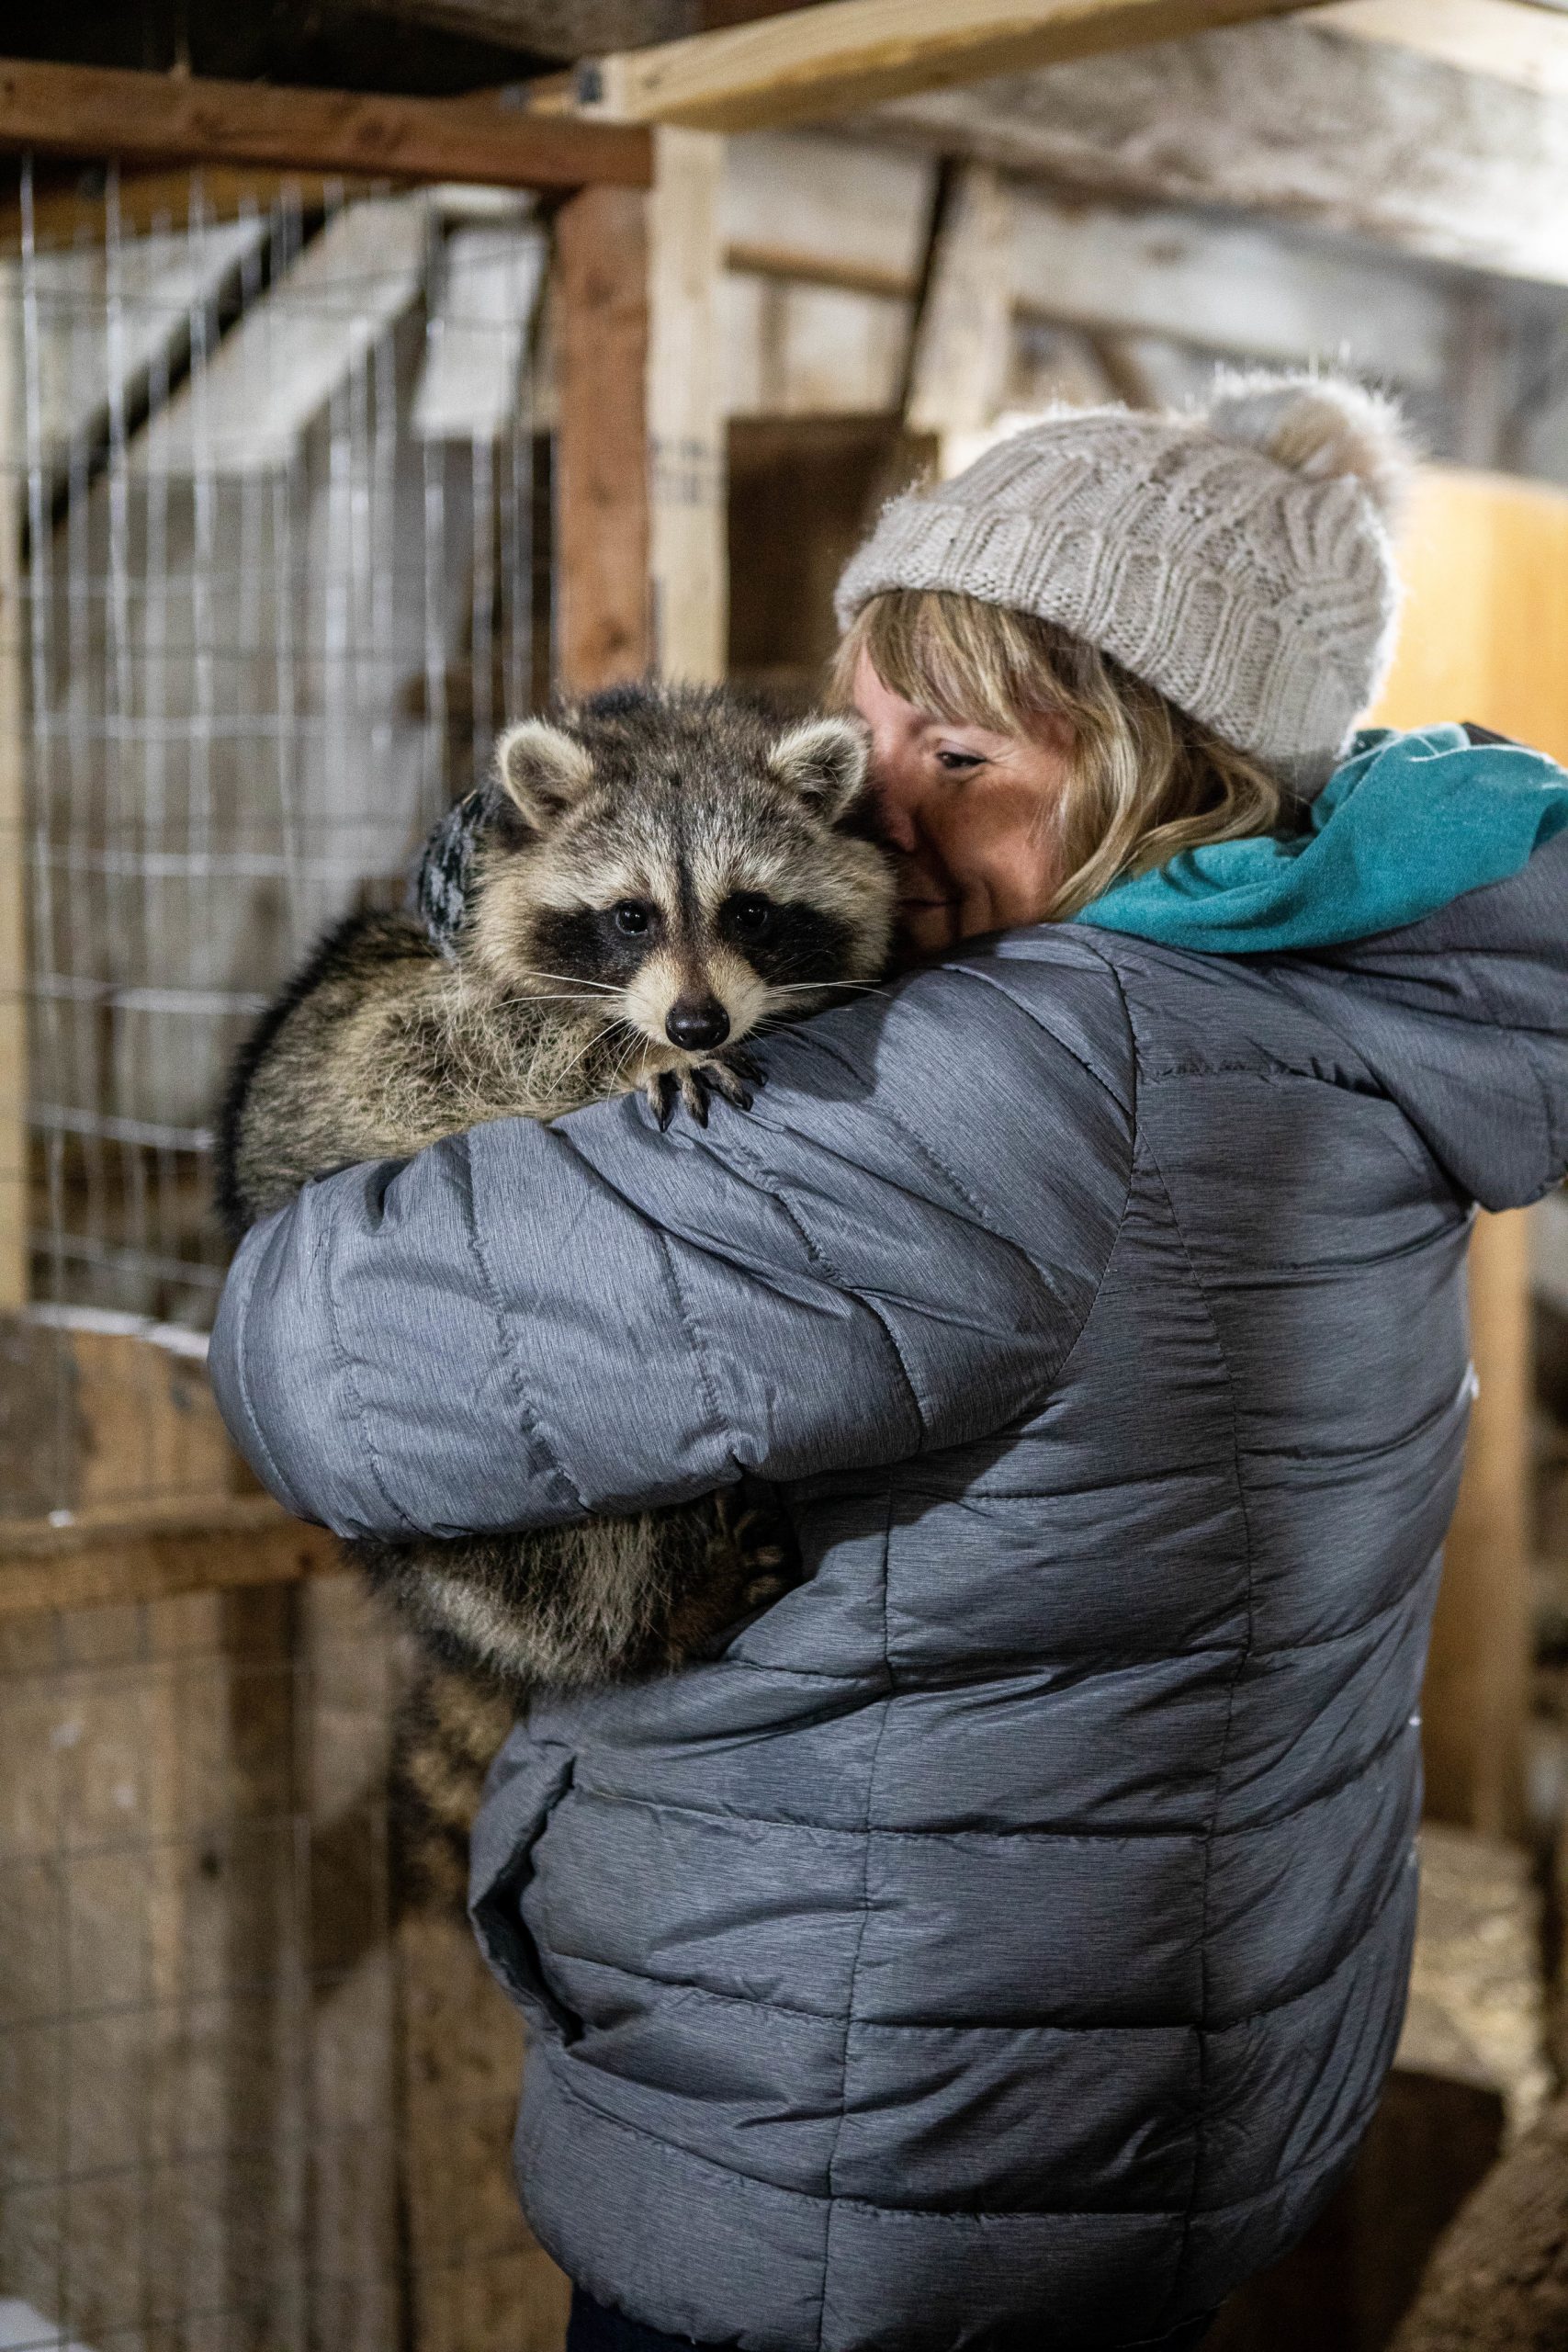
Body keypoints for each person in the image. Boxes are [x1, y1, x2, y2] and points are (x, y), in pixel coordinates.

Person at [209, 371, 1568, 2352]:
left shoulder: (1007, 1076)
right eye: (858, 722)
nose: (875, 800)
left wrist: (485, 997)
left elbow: (330, 1352)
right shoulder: (1345, 1011)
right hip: (1128, 2093)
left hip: (856, 2147)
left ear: (1156, 772)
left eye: (962, 751)